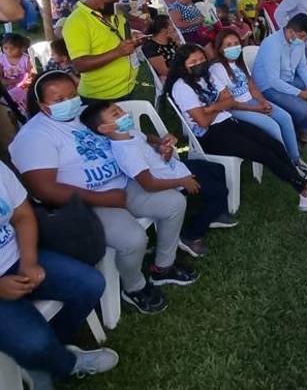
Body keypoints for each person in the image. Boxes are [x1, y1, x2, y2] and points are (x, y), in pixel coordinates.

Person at [10, 71, 192, 314]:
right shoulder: (34, 136)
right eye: (58, 100)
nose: (70, 101)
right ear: (43, 106)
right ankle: (135, 286)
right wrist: (102, 198)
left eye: (73, 95)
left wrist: (155, 141)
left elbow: (128, 132)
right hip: (85, 203)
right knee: (134, 240)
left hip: (123, 184)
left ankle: (163, 267)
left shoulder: (82, 115)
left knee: (174, 202)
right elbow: (44, 189)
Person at [165, 44, 307, 211]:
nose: (199, 64)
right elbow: (202, 122)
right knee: (264, 154)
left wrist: (212, 108)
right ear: (182, 66)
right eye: (193, 62)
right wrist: (219, 106)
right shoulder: (182, 87)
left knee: (274, 144)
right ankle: (305, 190)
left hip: (228, 122)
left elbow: (230, 100)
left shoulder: (206, 75)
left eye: (202, 59)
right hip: (210, 136)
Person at [0, 161, 119, 386]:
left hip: (16, 258)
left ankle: (49, 352)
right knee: (33, 343)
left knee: (91, 284)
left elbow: (23, 215)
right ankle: (64, 361)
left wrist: (29, 261)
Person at [80, 100, 234, 258]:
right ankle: (190, 235)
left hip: (174, 168)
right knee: (219, 192)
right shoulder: (126, 153)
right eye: (116, 114)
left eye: (120, 109)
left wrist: (161, 144)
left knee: (217, 169)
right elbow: (149, 184)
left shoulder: (129, 132)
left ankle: (214, 213)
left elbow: (146, 137)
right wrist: (182, 182)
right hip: (173, 180)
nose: (124, 114)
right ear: (104, 128)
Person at [211, 30, 307, 174]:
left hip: (252, 102)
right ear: (220, 49)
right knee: (272, 126)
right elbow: (230, 103)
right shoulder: (217, 69)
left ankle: (295, 158)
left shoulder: (239, 63)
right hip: (237, 109)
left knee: (285, 117)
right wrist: (256, 109)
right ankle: (287, 165)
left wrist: (263, 102)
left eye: (236, 43)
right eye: (228, 45)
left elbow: (252, 86)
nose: (233, 47)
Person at [252, 13, 307, 144]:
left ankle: (303, 130)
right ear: (290, 31)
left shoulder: (298, 42)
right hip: (268, 88)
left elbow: (302, 67)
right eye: (302, 36)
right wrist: (301, 93)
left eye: (305, 37)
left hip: (288, 80)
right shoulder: (272, 44)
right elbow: (273, 81)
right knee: (302, 109)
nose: (304, 40)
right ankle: (290, 132)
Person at [62, 0, 140, 102]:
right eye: (112, 1)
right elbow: (80, 64)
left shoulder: (114, 12)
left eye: (118, 0)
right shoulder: (76, 22)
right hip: (101, 97)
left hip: (128, 88)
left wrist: (133, 39)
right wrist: (117, 52)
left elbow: (119, 38)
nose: (116, 4)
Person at [0, 33, 33, 113]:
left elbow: (31, 75)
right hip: (5, 87)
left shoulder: (26, 59)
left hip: (23, 87)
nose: (8, 51)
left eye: (12, 48)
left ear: (21, 48)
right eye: (5, 48)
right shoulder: (1, 58)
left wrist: (22, 84)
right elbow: (1, 79)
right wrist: (12, 82)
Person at [141, 15, 180, 81]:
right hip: (168, 78)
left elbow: (184, 55)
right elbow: (164, 72)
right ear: (163, 30)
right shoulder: (151, 46)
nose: (174, 27)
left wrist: (177, 41)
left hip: (180, 72)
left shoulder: (171, 40)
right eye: (171, 25)